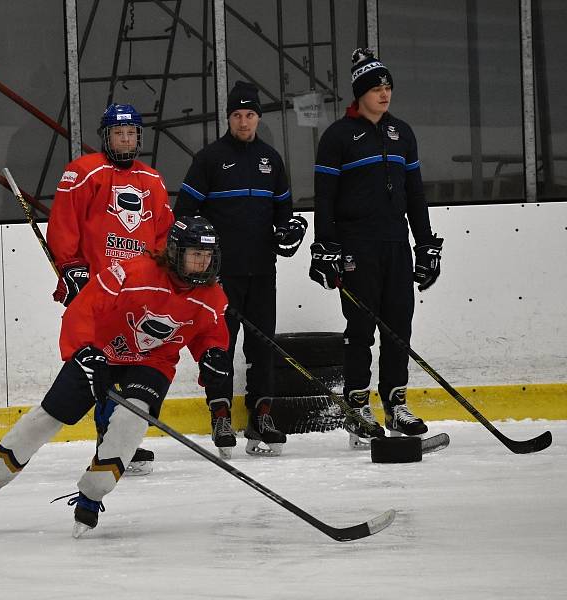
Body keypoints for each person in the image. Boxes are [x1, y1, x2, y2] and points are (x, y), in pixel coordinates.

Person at [0, 216, 231, 537]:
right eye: (195, 254)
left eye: (207, 256)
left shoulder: (212, 295)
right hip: (100, 350)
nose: (203, 263)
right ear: (174, 252)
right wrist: (83, 349)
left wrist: (212, 354)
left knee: (132, 419)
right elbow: (84, 307)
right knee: (49, 416)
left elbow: (210, 334)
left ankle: (93, 492)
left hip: (153, 362)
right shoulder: (134, 273)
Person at [309, 49, 443, 448]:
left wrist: (426, 245)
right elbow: (324, 199)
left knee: (399, 326)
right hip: (356, 246)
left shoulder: (402, 133)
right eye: (376, 88)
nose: (385, 94)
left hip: (395, 244)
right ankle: (356, 407)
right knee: (362, 328)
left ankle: (395, 403)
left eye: (388, 87)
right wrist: (326, 248)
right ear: (360, 93)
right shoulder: (337, 137)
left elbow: (415, 195)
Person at [173, 80, 306, 458]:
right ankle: (220, 415)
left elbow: (284, 212)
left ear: (258, 118)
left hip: (263, 270)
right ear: (228, 118)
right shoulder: (210, 159)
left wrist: (288, 229)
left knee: (263, 347)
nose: (244, 121)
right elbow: (184, 213)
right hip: (219, 277)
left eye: (249, 115)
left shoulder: (271, 160)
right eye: (237, 115)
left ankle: (261, 415)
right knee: (220, 346)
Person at [46, 103, 174, 475]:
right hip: (99, 290)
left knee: (134, 363)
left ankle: (120, 441)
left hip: (139, 293)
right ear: (106, 137)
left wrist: (164, 277)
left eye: (132, 133)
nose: (126, 139)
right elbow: (64, 223)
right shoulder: (84, 172)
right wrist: (71, 269)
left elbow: (164, 235)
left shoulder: (152, 180)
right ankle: (109, 442)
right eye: (119, 133)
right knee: (103, 364)